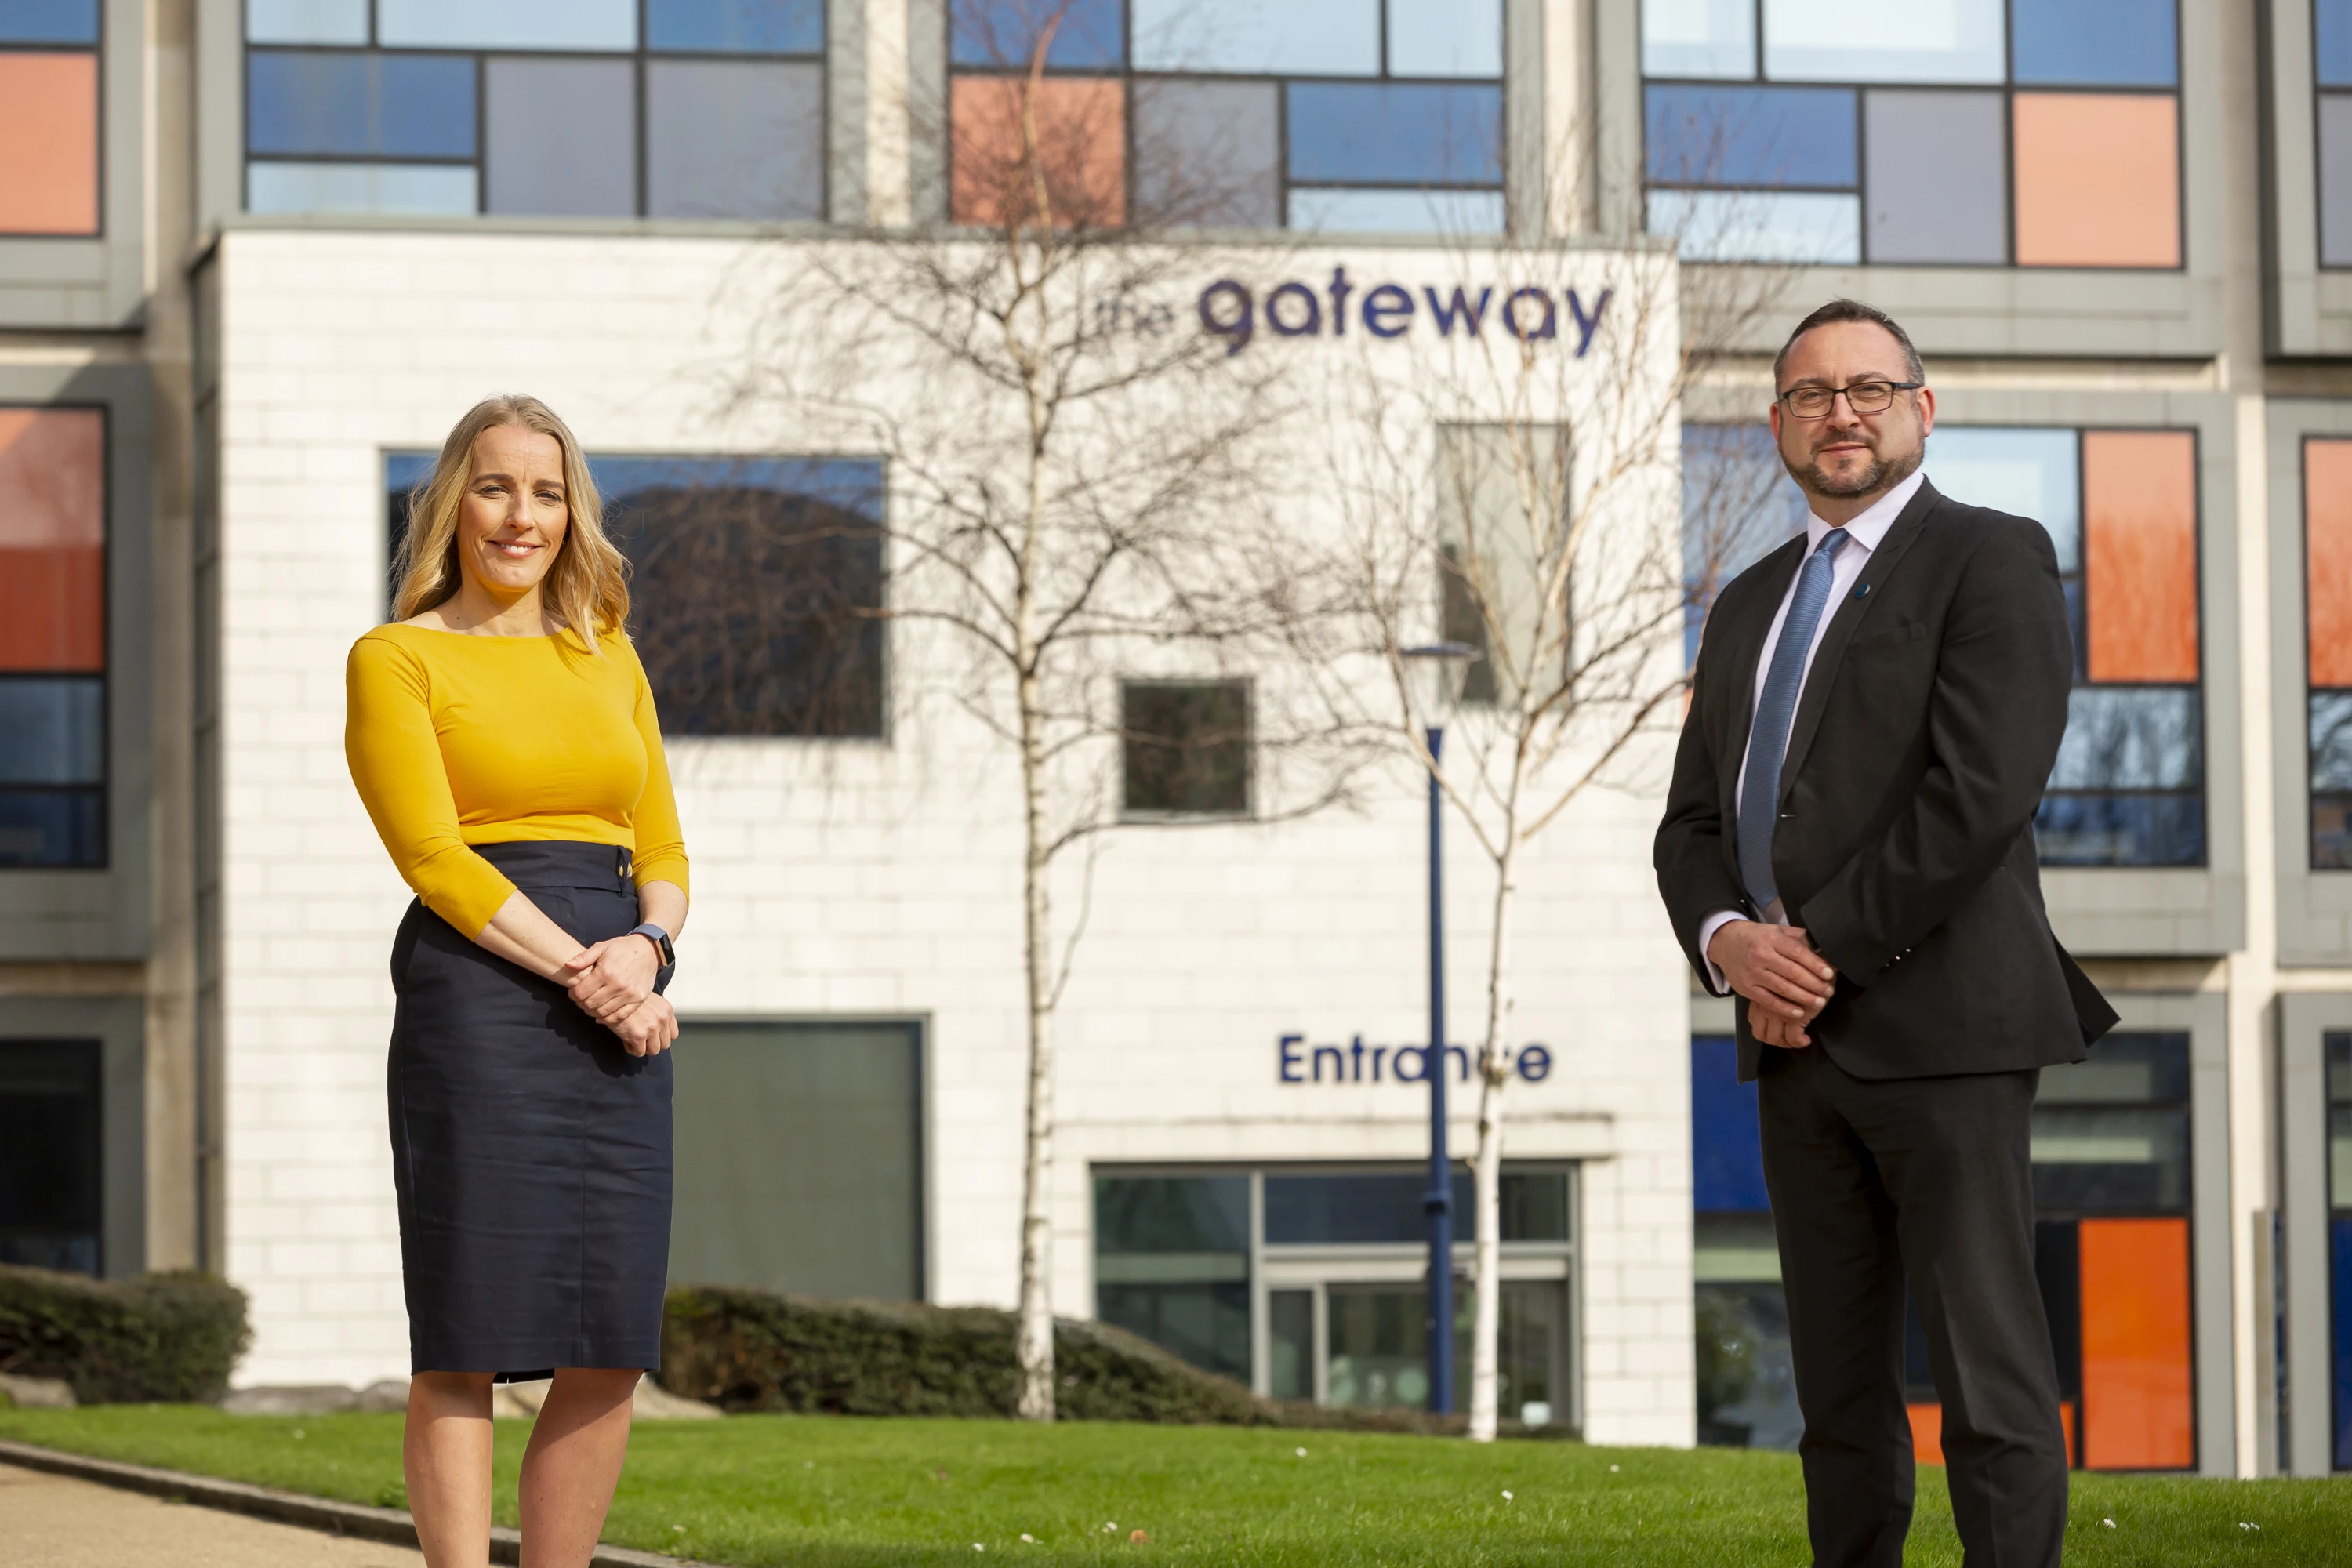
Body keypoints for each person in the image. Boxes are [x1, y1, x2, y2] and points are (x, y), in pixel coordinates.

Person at [1654, 299, 2117, 1568]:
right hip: (1793, 1050)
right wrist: (1727, 942)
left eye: (1868, 388)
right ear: (1777, 426)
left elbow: (1980, 795)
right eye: (1811, 395)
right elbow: (1691, 823)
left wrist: (1809, 956)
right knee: (1839, 1401)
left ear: (1923, 408)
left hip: (1945, 1028)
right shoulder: (1748, 601)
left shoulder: (1992, 556)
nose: (1839, 412)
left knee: (1989, 1382)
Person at [346, 394, 689, 1568]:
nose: (521, 515)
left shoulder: (611, 654)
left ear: (571, 513)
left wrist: (648, 952)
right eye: (496, 487)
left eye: (546, 493)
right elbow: (434, 856)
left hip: (619, 977)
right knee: (467, 1334)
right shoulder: (396, 658)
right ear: (454, 503)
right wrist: (589, 975)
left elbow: (665, 849)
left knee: (609, 1336)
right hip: (482, 982)